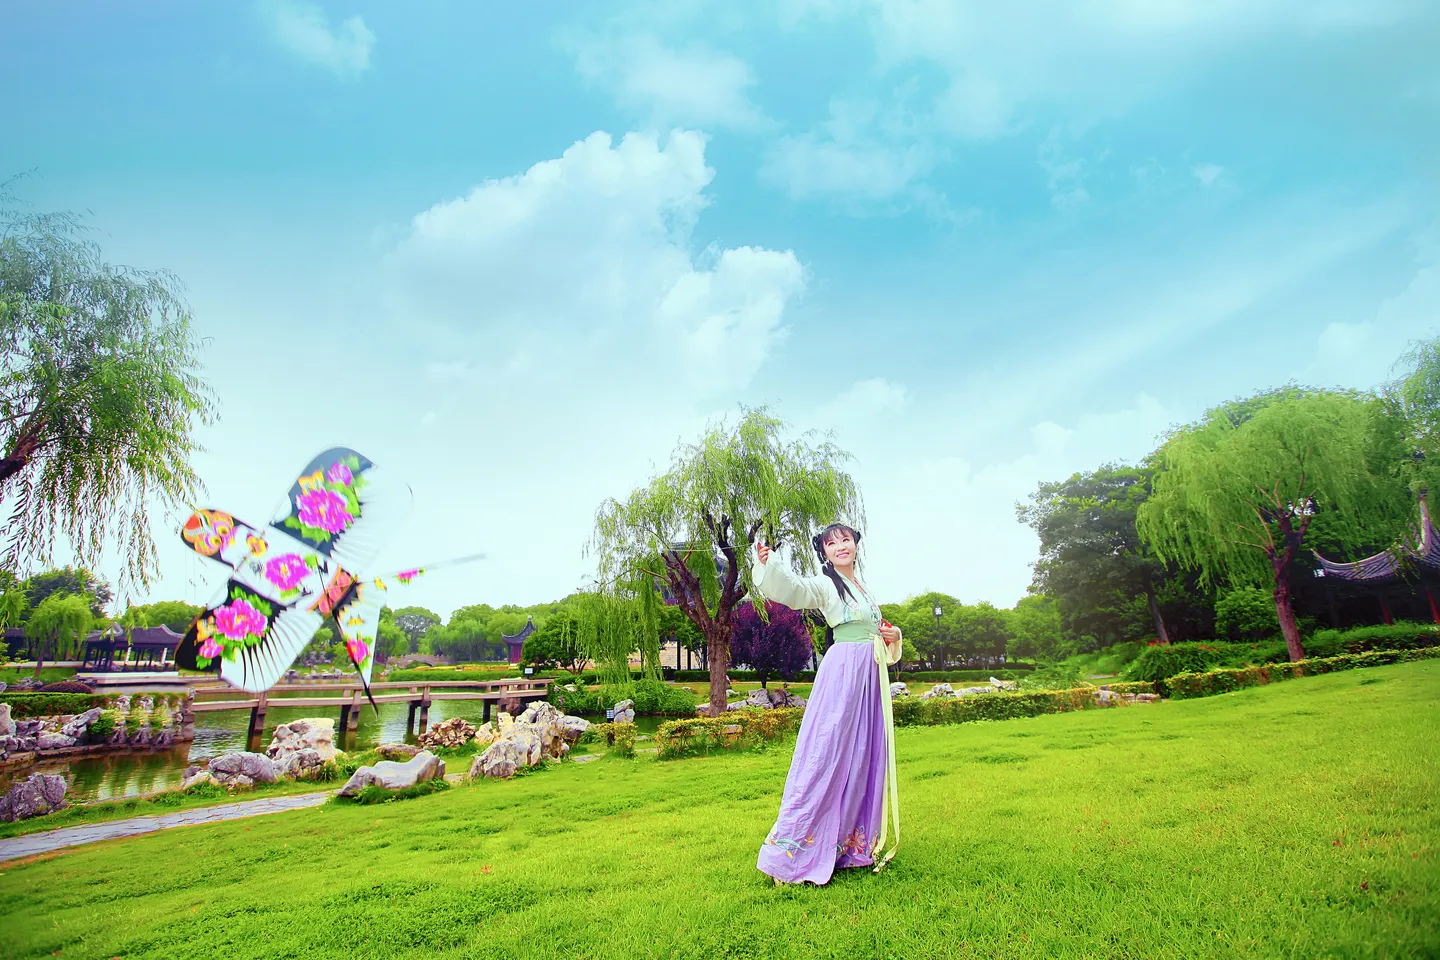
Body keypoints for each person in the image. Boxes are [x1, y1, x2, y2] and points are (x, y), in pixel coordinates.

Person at [750, 522, 903, 885]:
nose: (840, 546)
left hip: (868, 676)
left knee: (861, 754)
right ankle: (790, 853)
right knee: (824, 753)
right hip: (844, 673)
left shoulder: (862, 589)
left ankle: (845, 845)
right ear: (825, 552)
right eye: (831, 543)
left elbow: (877, 632)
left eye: (845, 540)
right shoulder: (826, 584)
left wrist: (893, 635)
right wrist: (769, 566)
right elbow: (795, 590)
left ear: (855, 545)